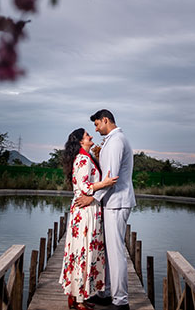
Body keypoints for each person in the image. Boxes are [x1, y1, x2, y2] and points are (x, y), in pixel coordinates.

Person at [76, 109, 136, 310]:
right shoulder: (112, 140)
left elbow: (110, 178)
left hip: (117, 202)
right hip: (111, 202)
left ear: (105, 120)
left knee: (116, 251)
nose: (95, 128)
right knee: (109, 251)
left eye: (96, 124)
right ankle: (107, 293)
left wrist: (91, 197)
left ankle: (121, 301)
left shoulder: (117, 140)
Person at [59, 128, 118, 310]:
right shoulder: (83, 159)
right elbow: (85, 186)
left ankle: (77, 296)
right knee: (83, 251)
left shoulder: (85, 157)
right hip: (85, 212)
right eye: (87, 135)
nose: (91, 136)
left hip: (85, 209)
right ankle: (78, 300)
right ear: (80, 142)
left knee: (80, 251)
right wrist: (105, 183)